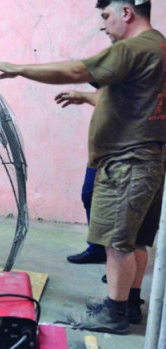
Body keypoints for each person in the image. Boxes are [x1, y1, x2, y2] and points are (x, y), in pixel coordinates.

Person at [0, 0, 166, 335]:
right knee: (135, 240)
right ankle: (127, 304)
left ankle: (114, 315)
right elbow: (131, 101)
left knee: (116, 242)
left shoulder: (131, 49)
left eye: (106, 16)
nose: (103, 25)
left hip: (127, 162)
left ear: (127, 13)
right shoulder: (158, 45)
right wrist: (86, 99)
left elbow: (74, 70)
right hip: (148, 157)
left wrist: (19, 68)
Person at [56, 90, 106, 265]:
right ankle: (97, 249)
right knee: (89, 195)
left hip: (123, 151)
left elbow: (114, 99)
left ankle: (121, 267)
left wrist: (84, 96)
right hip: (100, 151)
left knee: (121, 208)